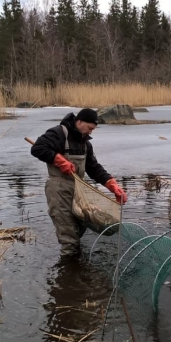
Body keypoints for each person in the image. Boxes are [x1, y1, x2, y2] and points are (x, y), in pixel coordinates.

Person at [31, 108, 127, 256]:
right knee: (69, 237)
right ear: (79, 122)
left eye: (93, 129)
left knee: (80, 227)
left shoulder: (85, 144)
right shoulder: (59, 133)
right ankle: (68, 271)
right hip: (59, 189)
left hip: (78, 189)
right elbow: (38, 148)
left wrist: (111, 184)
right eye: (89, 128)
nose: (91, 132)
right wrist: (59, 160)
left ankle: (76, 266)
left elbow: (93, 168)